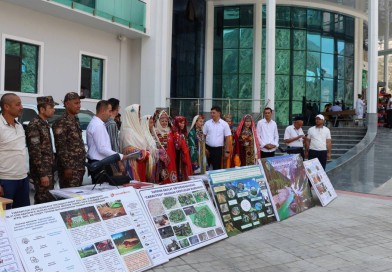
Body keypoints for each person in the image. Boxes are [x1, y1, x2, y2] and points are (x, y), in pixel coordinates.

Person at [0, 93, 30, 208]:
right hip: (5, 180)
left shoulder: (19, 126)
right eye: (18, 104)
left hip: (22, 178)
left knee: (21, 216)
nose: (21, 107)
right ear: (6, 107)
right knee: (3, 218)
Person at [26, 96, 56, 204]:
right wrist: (42, 174)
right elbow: (35, 152)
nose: (54, 109)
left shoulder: (44, 123)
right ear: (42, 109)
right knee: (42, 200)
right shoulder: (35, 124)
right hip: (41, 172)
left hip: (48, 169)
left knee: (48, 198)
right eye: (51, 107)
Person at [53, 92, 86, 188]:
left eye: (79, 103)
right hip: (70, 168)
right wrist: (67, 167)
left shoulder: (75, 120)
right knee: (69, 197)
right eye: (76, 103)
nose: (79, 106)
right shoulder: (61, 122)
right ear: (67, 104)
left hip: (79, 166)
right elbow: (61, 146)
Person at [87, 100, 125, 183]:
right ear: (103, 111)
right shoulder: (98, 125)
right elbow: (102, 149)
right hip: (99, 163)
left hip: (100, 163)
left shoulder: (97, 123)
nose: (110, 114)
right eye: (109, 111)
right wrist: (120, 156)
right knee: (102, 191)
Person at [119, 104, 152, 182]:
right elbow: (130, 151)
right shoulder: (127, 131)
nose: (140, 116)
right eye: (138, 114)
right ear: (131, 116)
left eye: (139, 114)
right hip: (133, 167)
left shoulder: (137, 130)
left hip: (141, 164)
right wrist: (146, 153)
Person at [202, 106, 232, 170]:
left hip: (218, 150)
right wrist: (204, 148)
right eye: (211, 113)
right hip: (207, 149)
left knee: (216, 168)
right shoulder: (207, 123)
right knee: (205, 167)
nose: (212, 114)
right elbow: (203, 136)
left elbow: (227, 138)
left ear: (219, 113)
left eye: (213, 113)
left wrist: (227, 151)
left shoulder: (224, 124)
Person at [154, 110, 178, 183]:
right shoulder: (155, 132)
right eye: (162, 121)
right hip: (159, 160)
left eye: (166, 121)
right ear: (158, 121)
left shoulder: (171, 131)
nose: (164, 123)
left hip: (170, 159)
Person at [141, 115, 160, 182]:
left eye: (153, 122)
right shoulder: (142, 135)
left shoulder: (151, 134)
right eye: (150, 123)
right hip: (146, 162)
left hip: (153, 161)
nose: (152, 125)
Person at [172, 116, 192, 181]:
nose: (182, 124)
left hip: (185, 156)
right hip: (179, 156)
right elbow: (177, 147)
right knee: (179, 171)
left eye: (183, 123)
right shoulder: (175, 134)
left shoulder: (184, 133)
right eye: (181, 123)